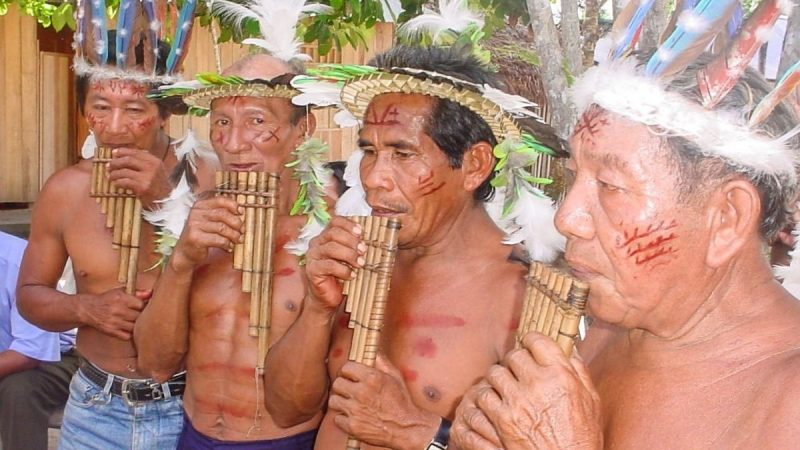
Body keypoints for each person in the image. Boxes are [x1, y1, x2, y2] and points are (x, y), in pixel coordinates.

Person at [450, 51, 800, 448]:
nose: (567, 218)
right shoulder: (608, 330)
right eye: (574, 177)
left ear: (727, 217)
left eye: (610, 186)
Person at [262, 44, 563, 450]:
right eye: (369, 151)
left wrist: (419, 431)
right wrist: (317, 308)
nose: (373, 178)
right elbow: (286, 410)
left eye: (402, 153)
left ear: (474, 165)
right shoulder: (358, 259)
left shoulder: (523, 297)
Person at [15, 15, 202, 447]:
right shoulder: (65, 190)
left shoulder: (205, 177)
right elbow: (29, 295)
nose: (114, 128)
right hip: (95, 406)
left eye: (134, 110)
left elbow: (232, 289)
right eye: (100, 107)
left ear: (164, 114)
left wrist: (166, 202)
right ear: (84, 110)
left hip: (191, 405)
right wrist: (87, 308)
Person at [135, 49, 335, 448]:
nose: (235, 143)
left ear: (303, 128)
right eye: (222, 122)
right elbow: (154, 365)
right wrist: (181, 263)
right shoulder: (195, 222)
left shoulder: (332, 235)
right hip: (195, 436)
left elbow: (298, 408)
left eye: (256, 121)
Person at [0, 232, 78, 450]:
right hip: (10, 354)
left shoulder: (18, 260)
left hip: (60, 355)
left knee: (19, 390)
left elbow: (30, 351)